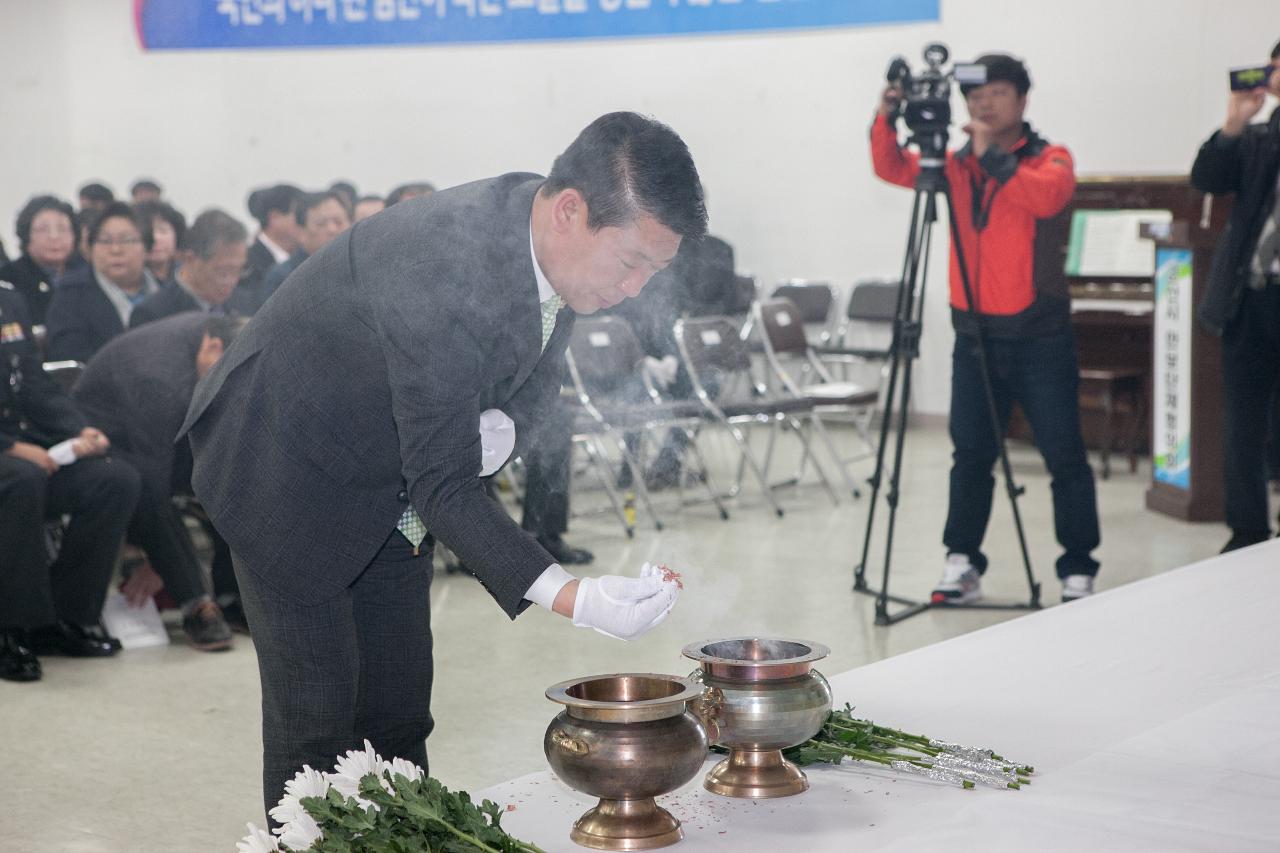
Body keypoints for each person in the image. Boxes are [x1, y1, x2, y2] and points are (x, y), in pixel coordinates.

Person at [179, 112, 703, 816]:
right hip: (285, 465)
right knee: (317, 722)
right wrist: (577, 598)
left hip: (391, 485)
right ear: (572, 211)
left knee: (397, 711)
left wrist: (504, 428)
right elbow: (444, 481)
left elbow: (538, 394)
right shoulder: (442, 262)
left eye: (654, 271)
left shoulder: (552, 248)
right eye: (632, 261)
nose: (635, 287)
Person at [871, 52, 1100, 604]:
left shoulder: (1051, 158)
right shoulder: (956, 164)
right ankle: (962, 561)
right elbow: (892, 167)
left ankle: (1078, 568)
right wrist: (885, 116)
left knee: (1063, 454)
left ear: (1022, 100)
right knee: (970, 455)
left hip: (1040, 336)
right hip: (973, 336)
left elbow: (1047, 196)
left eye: (996, 93)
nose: (982, 103)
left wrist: (989, 156)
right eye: (974, 96)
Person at [74, 313, 248, 651]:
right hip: (108, 441)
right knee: (147, 487)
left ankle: (231, 594)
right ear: (212, 346)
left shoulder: (216, 335)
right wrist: (157, 564)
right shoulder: (158, 377)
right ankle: (196, 603)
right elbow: (157, 478)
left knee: (232, 474)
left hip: (167, 435)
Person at [0, 282, 140, 682]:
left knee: (114, 479)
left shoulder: (9, 299)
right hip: (12, 457)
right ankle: (12, 628)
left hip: (21, 450)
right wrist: (10, 448)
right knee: (22, 480)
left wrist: (80, 429)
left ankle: (66, 617)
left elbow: (33, 384)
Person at [1190, 38, 1280, 552]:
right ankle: (1246, 529)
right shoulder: (1261, 136)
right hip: (1250, 296)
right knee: (1241, 422)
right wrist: (1234, 123)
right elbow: (1207, 179)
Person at [45, 202, 159, 363]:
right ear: (90, 250)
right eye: (105, 241)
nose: (116, 250)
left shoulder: (167, 291)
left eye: (127, 240)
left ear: (147, 248)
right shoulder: (71, 295)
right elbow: (68, 358)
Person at [130, 209, 248, 327]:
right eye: (223, 273)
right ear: (190, 259)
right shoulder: (153, 314)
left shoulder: (243, 303)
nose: (232, 281)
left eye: (239, 271)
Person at [248, 191, 351, 312]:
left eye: (338, 222)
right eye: (321, 224)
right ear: (301, 232)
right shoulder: (283, 278)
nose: (332, 229)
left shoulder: (360, 269)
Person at [0, 196, 78, 328]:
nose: (54, 237)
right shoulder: (9, 277)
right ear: (26, 235)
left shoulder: (86, 275)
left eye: (62, 229)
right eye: (43, 229)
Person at [228, 184, 302, 315]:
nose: (305, 221)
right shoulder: (247, 263)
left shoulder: (301, 259)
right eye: (300, 215)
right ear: (275, 217)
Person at [136, 200, 186, 286]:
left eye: (163, 231)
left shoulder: (188, 276)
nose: (156, 238)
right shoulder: (126, 280)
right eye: (148, 232)